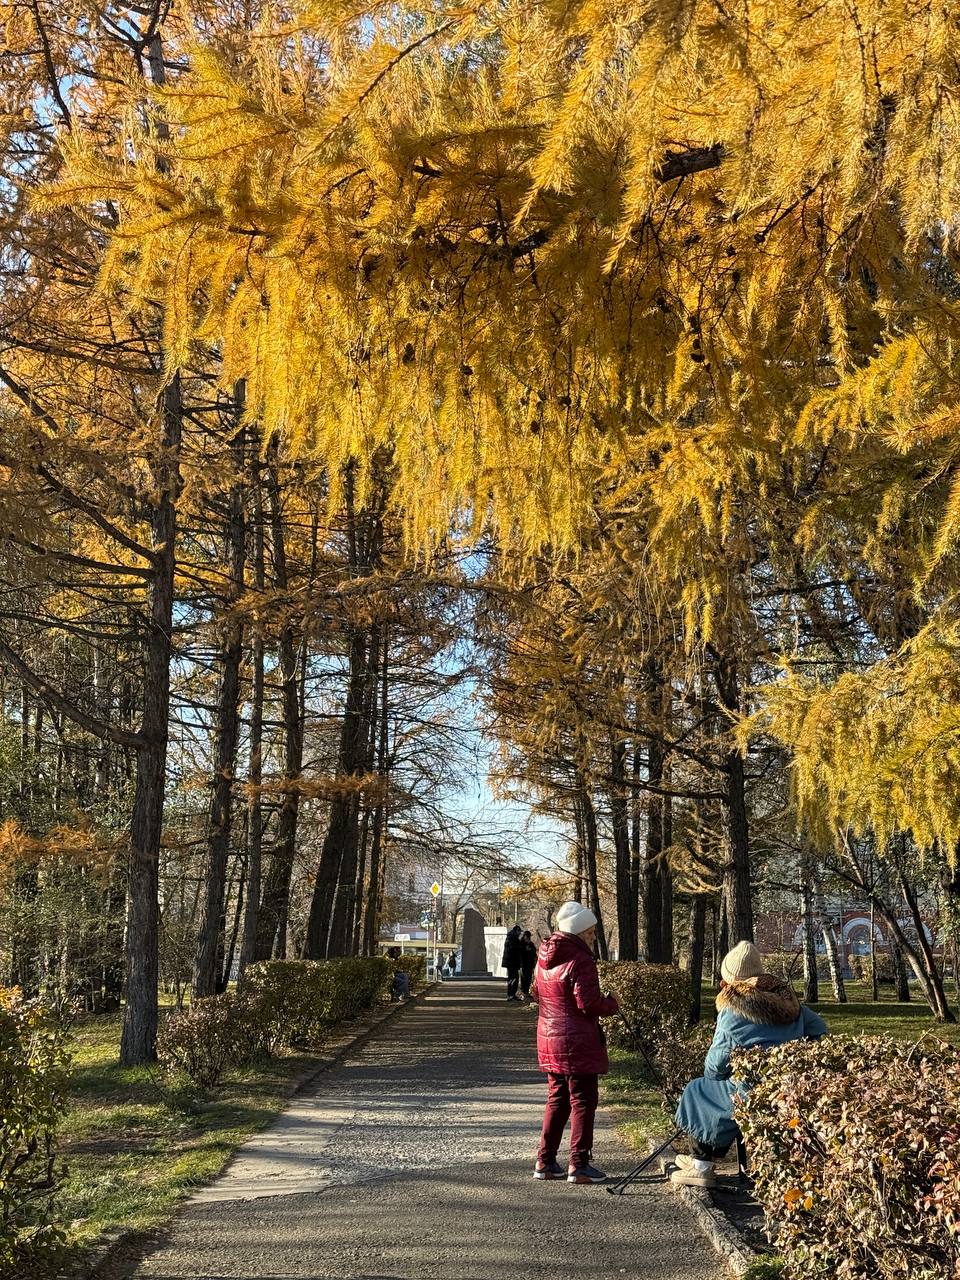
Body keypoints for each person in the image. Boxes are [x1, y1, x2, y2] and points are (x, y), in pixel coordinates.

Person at [672, 941, 828, 1189]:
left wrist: (718, 1074)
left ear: (731, 977)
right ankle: (718, 1165)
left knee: (699, 1090)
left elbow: (715, 1065)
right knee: (721, 1093)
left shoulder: (734, 1008)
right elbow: (819, 1030)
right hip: (790, 1085)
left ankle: (702, 1166)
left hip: (754, 1088)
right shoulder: (787, 1001)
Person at [531, 901, 619, 1185]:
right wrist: (612, 1003)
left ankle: (545, 1162)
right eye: (591, 933)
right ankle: (579, 1165)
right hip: (578, 1041)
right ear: (579, 932)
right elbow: (588, 1004)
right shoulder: (580, 960)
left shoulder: (543, 958)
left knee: (557, 1099)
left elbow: (536, 994)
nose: (593, 938)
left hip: (549, 1038)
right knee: (583, 1100)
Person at [501, 923, 523, 1001]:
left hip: (510, 962)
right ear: (517, 931)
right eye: (519, 932)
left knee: (512, 978)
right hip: (512, 962)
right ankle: (511, 995)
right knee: (514, 978)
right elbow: (515, 950)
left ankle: (511, 995)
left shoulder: (510, 937)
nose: (520, 934)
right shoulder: (513, 938)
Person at [519, 930, 537, 1000]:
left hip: (530, 963)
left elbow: (534, 953)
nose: (527, 938)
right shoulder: (521, 944)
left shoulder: (531, 944)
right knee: (523, 978)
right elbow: (519, 953)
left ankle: (526, 991)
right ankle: (523, 992)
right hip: (523, 963)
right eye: (526, 936)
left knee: (528, 978)